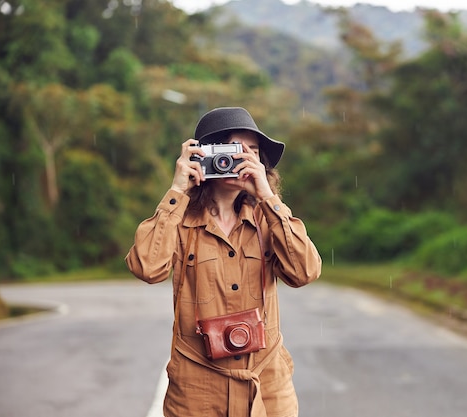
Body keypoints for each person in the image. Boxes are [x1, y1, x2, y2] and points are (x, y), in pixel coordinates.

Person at [125, 107, 322, 417]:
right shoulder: (180, 220)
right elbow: (147, 267)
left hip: (267, 385)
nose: (240, 160)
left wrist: (269, 198)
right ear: (204, 155)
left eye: (252, 152)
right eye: (231, 150)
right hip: (197, 390)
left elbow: (305, 271)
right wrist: (177, 190)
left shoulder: (267, 219)